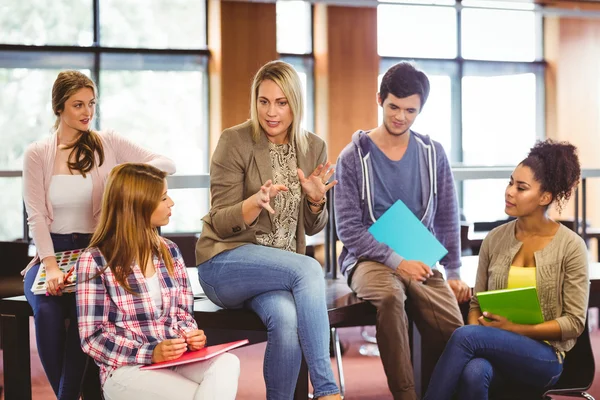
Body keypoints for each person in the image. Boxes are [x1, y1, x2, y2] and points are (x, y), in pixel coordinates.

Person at [22, 70, 176, 399]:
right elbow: (35, 216)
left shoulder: (108, 142)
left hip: (96, 254)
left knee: (85, 314)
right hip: (52, 253)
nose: (86, 112)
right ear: (58, 108)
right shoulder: (37, 153)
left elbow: (167, 164)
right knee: (47, 312)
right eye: (77, 104)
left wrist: (123, 175)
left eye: (91, 103)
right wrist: (50, 267)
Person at [195, 60, 341, 400]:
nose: (271, 112)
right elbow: (218, 220)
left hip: (278, 273)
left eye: (281, 102)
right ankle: (327, 390)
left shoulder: (312, 147)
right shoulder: (235, 140)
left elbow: (311, 225)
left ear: (295, 103)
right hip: (225, 263)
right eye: (264, 101)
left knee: (287, 320)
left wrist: (316, 202)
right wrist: (252, 204)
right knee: (309, 268)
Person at [334, 61, 468, 400]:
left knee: (455, 327)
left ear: (420, 109)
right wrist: (396, 261)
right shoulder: (352, 157)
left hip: (417, 254)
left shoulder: (432, 153)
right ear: (380, 99)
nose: (401, 117)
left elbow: (448, 215)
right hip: (366, 259)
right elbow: (349, 229)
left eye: (411, 110)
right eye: (394, 106)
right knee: (392, 297)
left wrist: (453, 270)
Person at [423, 140, 588, 400]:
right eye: (510, 182)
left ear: (545, 197)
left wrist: (513, 330)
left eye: (521, 188)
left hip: (545, 358)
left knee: (465, 337)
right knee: (474, 371)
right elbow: (476, 303)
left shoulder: (571, 246)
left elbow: (574, 323)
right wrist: (482, 333)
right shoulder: (495, 239)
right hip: (494, 347)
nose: (509, 192)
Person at [76, 163, 240, 399]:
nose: (171, 202)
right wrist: (150, 353)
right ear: (138, 203)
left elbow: (183, 314)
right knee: (197, 395)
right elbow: (93, 339)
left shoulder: (170, 251)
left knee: (227, 363)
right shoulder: (94, 260)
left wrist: (190, 336)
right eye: (163, 197)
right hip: (126, 369)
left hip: (174, 359)